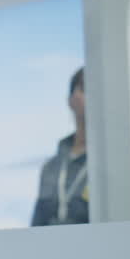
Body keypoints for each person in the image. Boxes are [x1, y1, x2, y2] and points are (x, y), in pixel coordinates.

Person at [31, 67, 88, 226]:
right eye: (85, 88)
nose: (92, 96)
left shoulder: (111, 163)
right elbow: (36, 228)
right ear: (70, 100)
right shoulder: (50, 169)